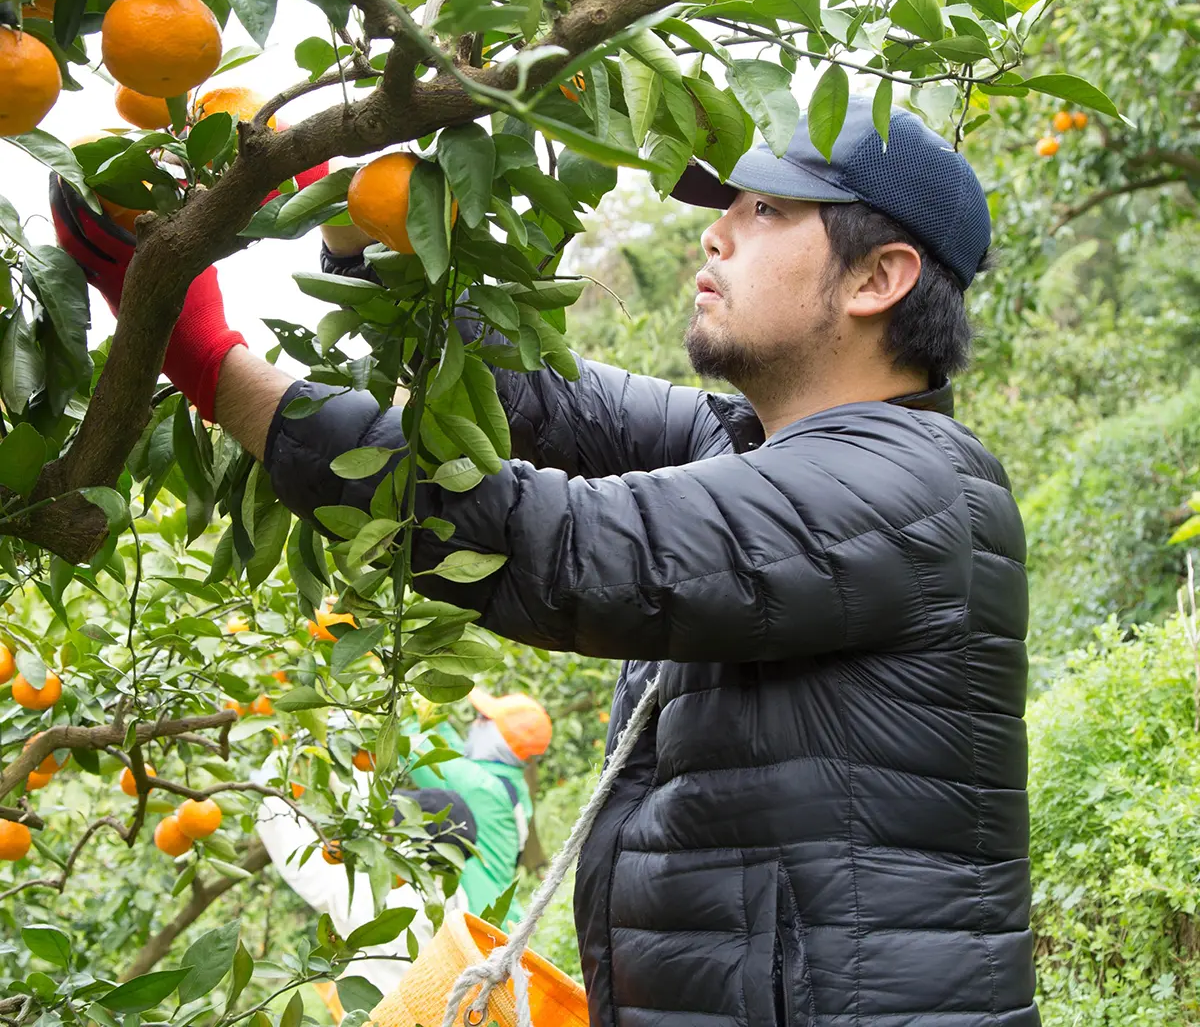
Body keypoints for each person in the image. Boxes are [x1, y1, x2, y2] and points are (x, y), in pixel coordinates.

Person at [53, 95, 1037, 1025]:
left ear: (878, 278)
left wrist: (210, 363)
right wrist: (358, 213)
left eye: (766, 209)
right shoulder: (742, 445)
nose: (717, 232)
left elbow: (561, 545)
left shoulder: (911, 489)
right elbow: (537, 398)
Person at [254, 750, 474, 1019]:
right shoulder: (451, 894)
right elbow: (373, 819)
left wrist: (270, 798)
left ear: (411, 840)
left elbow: (308, 869)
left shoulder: (384, 900)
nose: (385, 835)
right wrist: (336, 758)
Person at [408, 688, 552, 922]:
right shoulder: (506, 782)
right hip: (499, 918)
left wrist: (399, 700)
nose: (475, 724)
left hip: (480, 925)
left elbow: (415, 747)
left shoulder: (481, 788)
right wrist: (437, 719)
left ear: (497, 740)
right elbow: (454, 755)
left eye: (483, 720)